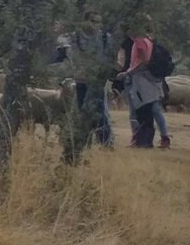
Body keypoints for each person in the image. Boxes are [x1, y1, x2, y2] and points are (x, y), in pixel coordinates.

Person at [59, 13, 116, 150]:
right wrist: (76, 70)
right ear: (85, 21)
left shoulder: (104, 38)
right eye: (92, 21)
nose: (95, 25)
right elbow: (70, 54)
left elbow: (109, 56)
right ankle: (84, 142)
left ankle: (106, 142)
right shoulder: (75, 37)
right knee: (81, 110)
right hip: (81, 80)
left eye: (98, 22)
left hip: (97, 80)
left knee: (100, 112)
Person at [116, 28, 167, 149]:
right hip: (150, 80)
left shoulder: (139, 41)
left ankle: (142, 140)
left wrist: (128, 73)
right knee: (152, 110)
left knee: (140, 111)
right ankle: (155, 139)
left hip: (141, 81)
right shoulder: (148, 40)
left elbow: (144, 61)